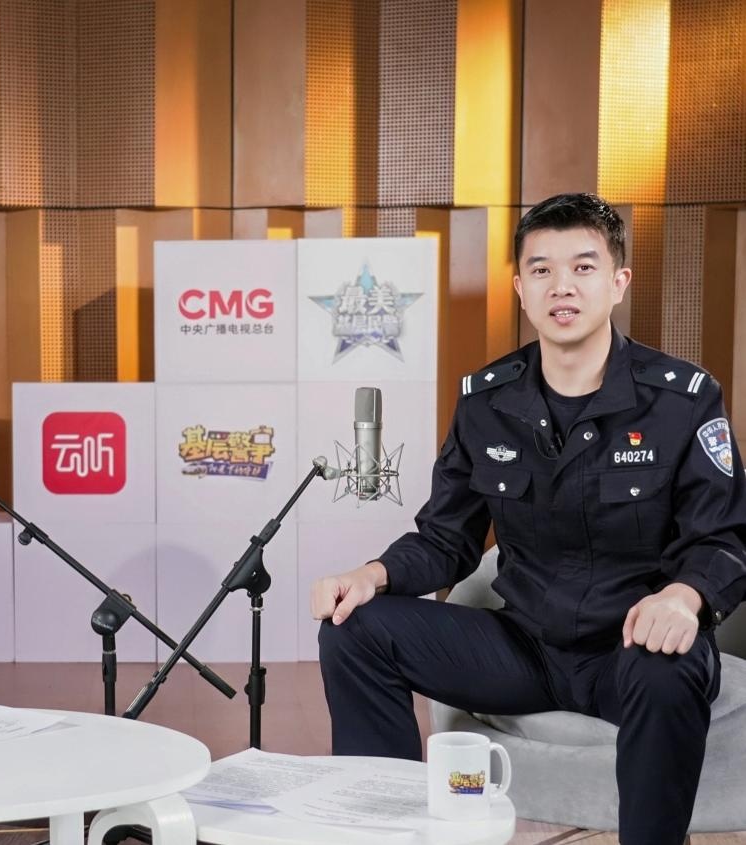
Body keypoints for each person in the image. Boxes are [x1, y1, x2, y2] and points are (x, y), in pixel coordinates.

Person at [312, 193, 746, 845]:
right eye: (541, 269)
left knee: (667, 667)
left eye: (583, 267)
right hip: (525, 647)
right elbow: (445, 537)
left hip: (633, 646)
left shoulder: (682, 399)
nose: (561, 286)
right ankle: (385, 833)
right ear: (519, 287)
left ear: (618, 281)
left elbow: (724, 537)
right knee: (354, 628)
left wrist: (683, 598)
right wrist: (371, 574)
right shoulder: (485, 401)